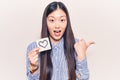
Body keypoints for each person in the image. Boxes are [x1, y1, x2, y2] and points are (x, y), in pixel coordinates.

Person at [26, 1, 94, 80]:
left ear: (67, 22)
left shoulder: (77, 45)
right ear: (45, 22)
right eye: (52, 20)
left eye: (62, 20)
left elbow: (83, 78)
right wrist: (34, 68)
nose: (57, 25)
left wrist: (82, 56)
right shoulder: (33, 48)